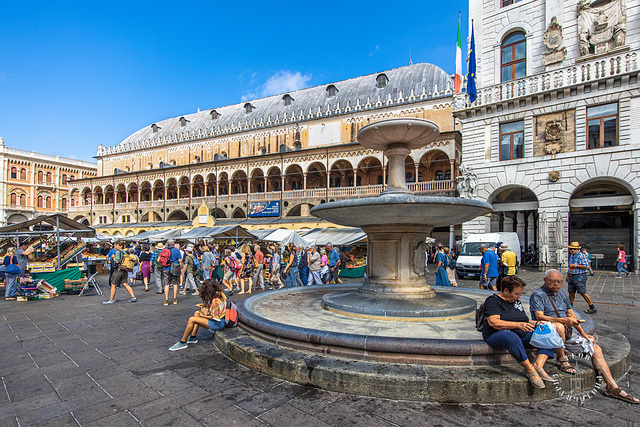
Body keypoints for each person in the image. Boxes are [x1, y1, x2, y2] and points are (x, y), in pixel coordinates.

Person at [530, 270, 639, 404]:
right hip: (547, 331)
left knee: (596, 349)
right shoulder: (538, 295)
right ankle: (562, 359)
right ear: (545, 280)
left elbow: (572, 315)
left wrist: (583, 333)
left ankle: (612, 387)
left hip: (566, 330)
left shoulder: (563, 294)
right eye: (552, 281)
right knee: (558, 326)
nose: (556, 284)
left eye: (558, 281)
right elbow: (539, 316)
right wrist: (564, 321)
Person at [481, 276, 556, 389]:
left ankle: (538, 365)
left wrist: (536, 323)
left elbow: (523, 320)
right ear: (506, 291)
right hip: (497, 334)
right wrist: (518, 325)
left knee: (548, 333)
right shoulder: (493, 301)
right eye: (517, 294)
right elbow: (493, 322)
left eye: (520, 294)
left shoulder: (515, 301)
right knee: (511, 336)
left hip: (521, 333)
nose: (519, 296)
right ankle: (529, 370)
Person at [168, 279, 228, 351]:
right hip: (221, 320)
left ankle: (183, 342)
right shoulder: (220, 294)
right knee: (196, 313)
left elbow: (214, 317)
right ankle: (193, 336)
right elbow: (218, 308)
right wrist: (206, 306)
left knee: (192, 319)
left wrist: (202, 316)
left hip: (218, 323)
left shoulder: (216, 300)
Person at [567, 242, 597, 314]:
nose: (572, 250)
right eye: (571, 249)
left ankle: (592, 307)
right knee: (571, 291)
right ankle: (570, 306)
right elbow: (570, 267)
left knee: (582, 291)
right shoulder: (572, 256)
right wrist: (568, 275)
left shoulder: (581, 256)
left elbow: (586, 267)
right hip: (572, 275)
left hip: (580, 275)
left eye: (574, 249)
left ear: (578, 249)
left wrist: (575, 265)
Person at [163, 239, 182, 305]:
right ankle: (174, 299)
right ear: (173, 244)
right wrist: (181, 268)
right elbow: (180, 260)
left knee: (166, 284)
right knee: (175, 283)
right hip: (175, 268)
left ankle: (166, 300)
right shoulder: (177, 250)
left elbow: (159, 259)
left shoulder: (164, 250)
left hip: (166, 268)